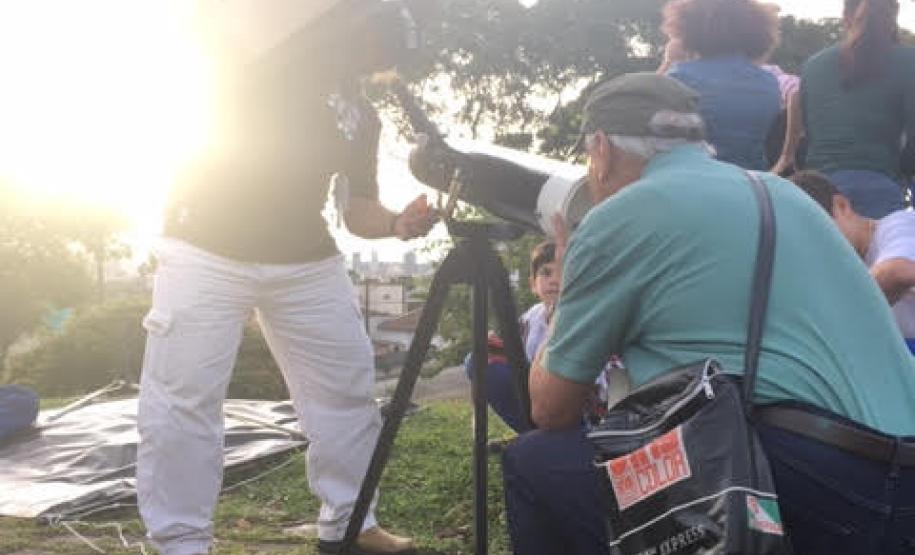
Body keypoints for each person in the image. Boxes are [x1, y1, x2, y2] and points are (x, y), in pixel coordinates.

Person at [501, 72, 915, 555]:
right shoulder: (784, 194)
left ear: (601, 149)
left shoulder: (619, 216)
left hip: (815, 486)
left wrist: (568, 293)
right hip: (901, 482)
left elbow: (552, 408)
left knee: (536, 461)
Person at [136, 2, 437, 554]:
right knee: (185, 398)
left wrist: (396, 222)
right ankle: (181, 541)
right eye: (381, 46)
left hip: (305, 258)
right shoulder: (265, 46)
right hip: (205, 248)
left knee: (346, 389)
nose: (382, 63)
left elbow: (357, 206)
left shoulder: (361, 114)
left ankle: (351, 524)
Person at [774, 0, 915, 217]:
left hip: (817, 193)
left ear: (844, 16)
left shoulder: (813, 65)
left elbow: (810, 135)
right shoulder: (908, 61)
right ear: (894, 16)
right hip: (880, 189)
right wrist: (901, 172)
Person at [791, 170, 915, 355]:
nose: (819, 249)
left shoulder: (900, 225)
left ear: (841, 205)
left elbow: (898, 271)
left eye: (821, 234)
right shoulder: (833, 269)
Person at [660, 0, 782, 170]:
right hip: (753, 181)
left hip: (696, 177)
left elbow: (640, 108)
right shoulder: (769, 83)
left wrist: (668, 62)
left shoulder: (681, 77)